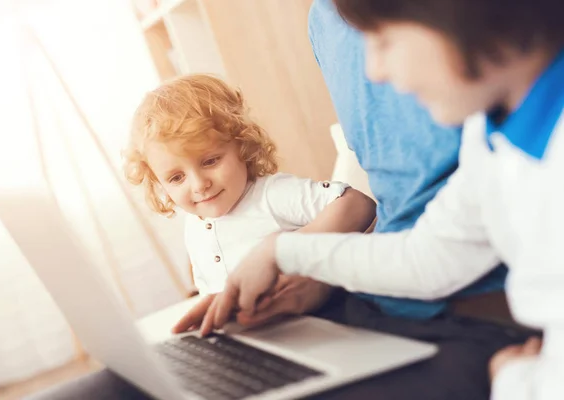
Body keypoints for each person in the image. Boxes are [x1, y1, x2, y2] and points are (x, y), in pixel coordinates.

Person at [203, 0, 564, 399]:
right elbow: (429, 258)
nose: (373, 70)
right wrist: (281, 251)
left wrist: (514, 382)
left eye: (385, 39)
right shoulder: (492, 132)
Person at [123, 73, 376, 297]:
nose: (199, 185)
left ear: (242, 145)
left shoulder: (271, 195)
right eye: (176, 178)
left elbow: (358, 204)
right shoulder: (194, 224)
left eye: (210, 161)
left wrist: (283, 250)